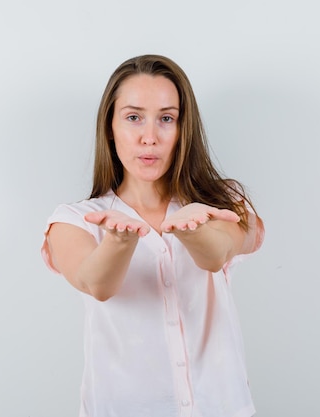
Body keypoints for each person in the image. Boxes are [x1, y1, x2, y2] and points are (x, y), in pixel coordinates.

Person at [41, 54, 265, 417]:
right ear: (110, 128)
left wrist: (190, 228)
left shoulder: (221, 202)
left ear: (182, 128)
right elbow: (95, 282)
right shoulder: (76, 219)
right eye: (133, 117)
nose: (150, 137)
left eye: (166, 118)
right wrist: (118, 242)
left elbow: (217, 253)